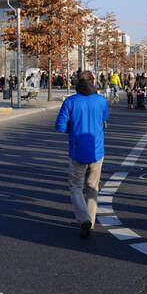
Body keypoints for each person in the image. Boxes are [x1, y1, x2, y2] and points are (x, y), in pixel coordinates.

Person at [55, 71, 109, 239]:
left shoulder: (70, 101)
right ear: (94, 81)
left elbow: (60, 126)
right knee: (93, 187)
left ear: (78, 81)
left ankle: (83, 218)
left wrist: (70, 128)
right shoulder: (101, 100)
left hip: (77, 150)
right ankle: (90, 221)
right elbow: (105, 117)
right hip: (97, 150)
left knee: (76, 187)